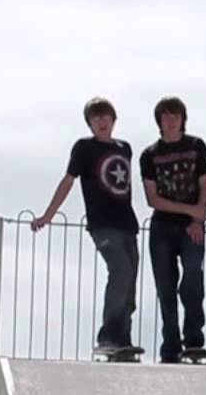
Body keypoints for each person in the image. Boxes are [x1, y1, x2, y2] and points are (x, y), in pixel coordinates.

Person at [31, 97, 140, 355]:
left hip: (127, 223)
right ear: (90, 123)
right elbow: (68, 180)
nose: (102, 121)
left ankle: (123, 338)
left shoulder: (125, 148)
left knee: (130, 281)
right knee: (120, 270)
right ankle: (108, 337)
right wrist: (48, 215)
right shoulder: (83, 148)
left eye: (106, 116)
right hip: (103, 224)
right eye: (96, 117)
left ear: (114, 120)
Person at [139, 96, 206, 364]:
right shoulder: (150, 154)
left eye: (175, 115)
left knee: (193, 278)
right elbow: (152, 198)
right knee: (165, 287)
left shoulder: (196, 146)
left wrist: (198, 219)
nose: (171, 120)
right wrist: (189, 211)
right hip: (162, 226)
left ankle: (194, 339)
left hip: (191, 227)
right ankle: (170, 345)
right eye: (166, 116)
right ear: (159, 121)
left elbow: (205, 186)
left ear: (183, 119)